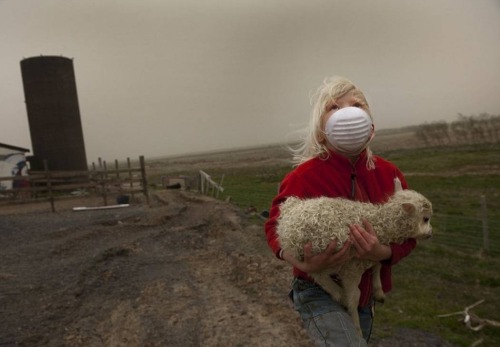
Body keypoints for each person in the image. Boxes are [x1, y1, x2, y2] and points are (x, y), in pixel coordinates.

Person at [264, 76, 416, 346]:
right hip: (317, 288)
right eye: (333, 107)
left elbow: (409, 230)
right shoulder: (304, 176)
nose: (347, 112)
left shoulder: (389, 174)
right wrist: (302, 263)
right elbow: (274, 226)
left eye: (356, 104)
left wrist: (383, 253)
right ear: (321, 129)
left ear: (371, 125)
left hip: (363, 294)